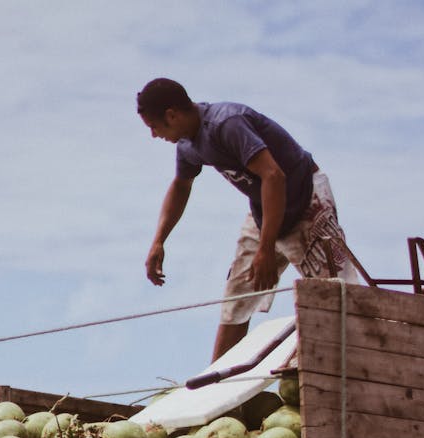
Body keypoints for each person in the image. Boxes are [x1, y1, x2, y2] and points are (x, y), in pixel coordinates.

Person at [137, 78, 357, 361]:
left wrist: (266, 249)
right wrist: (158, 241)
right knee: (236, 298)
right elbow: (181, 186)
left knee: (337, 297)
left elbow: (274, 176)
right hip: (264, 208)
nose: (154, 135)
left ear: (171, 115)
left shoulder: (226, 124)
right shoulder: (187, 145)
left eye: (154, 127)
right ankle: (214, 386)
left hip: (304, 201)